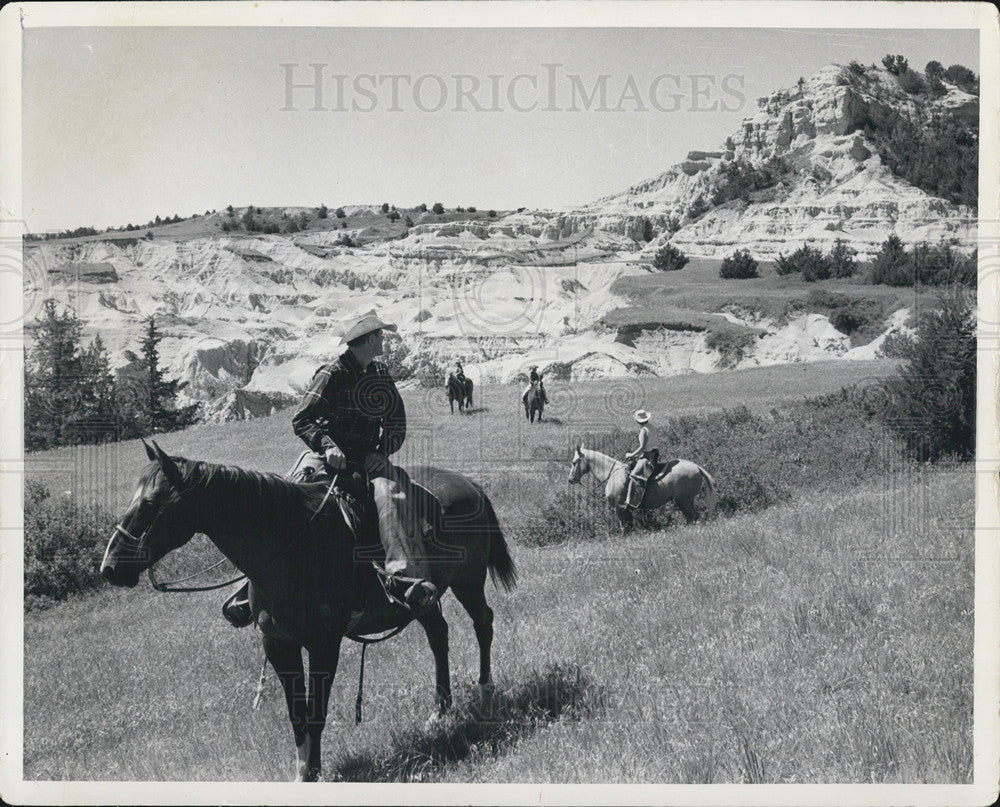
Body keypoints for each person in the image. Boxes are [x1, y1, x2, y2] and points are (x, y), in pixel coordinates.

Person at [291, 309, 438, 611]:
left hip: (368, 460)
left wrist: (380, 452)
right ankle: (248, 584)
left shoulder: (381, 375)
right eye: (380, 336)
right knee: (287, 488)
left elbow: (396, 421)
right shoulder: (331, 374)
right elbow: (301, 419)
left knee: (390, 494)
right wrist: (327, 445)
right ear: (370, 340)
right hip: (329, 457)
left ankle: (401, 576)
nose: (383, 340)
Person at [624, 409, 659, 511]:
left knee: (633, 476)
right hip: (655, 454)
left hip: (647, 457)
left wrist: (631, 455)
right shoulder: (651, 427)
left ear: (637, 421)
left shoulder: (643, 430)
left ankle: (631, 503)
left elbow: (642, 447)